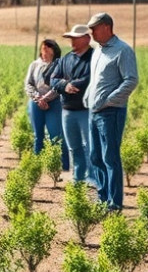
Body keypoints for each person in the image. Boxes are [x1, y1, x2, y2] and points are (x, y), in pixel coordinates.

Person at [83, 12, 138, 212]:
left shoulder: (123, 50)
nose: (91, 33)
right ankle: (102, 198)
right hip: (94, 111)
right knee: (95, 156)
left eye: (94, 28)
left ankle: (114, 204)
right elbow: (96, 79)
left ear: (106, 27)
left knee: (110, 158)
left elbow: (131, 80)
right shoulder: (98, 50)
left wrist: (108, 101)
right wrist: (88, 96)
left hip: (111, 112)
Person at [51, 24, 93, 184]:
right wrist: (65, 85)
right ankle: (78, 178)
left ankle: (93, 178)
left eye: (76, 38)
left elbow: (88, 79)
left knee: (90, 146)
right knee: (73, 146)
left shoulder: (94, 57)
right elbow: (53, 79)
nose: (72, 41)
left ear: (87, 39)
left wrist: (69, 84)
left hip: (86, 109)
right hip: (67, 110)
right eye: (71, 38)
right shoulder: (66, 59)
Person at [24, 38, 69, 171]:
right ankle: (37, 167)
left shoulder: (60, 65)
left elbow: (61, 84)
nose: (45, 49)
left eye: (48, 47)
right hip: (36, 103)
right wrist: (38, 98)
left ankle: (62, 166)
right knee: (38, 135)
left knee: (56, 135)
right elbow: (28, 84)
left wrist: (47, 98)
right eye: (43, 47)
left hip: (54, 103)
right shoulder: (34, 65)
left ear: (54, 50)